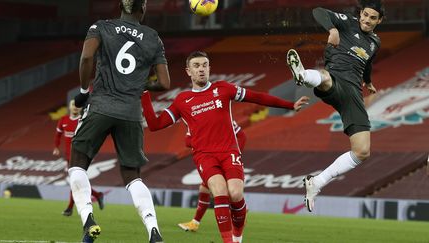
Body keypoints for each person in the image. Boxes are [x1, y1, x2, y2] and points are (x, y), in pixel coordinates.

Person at [142, 51, 309, 243]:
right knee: (220, 192)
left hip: (229, 151)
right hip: (204, 156)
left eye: (204, 65)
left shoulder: (223, 89)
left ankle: (238, 236)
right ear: (188, 71)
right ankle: (228, 241)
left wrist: (290, 105)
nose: (201, 69)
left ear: (209, 68)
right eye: (196, 66)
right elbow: (155, 125)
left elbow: (257, 97)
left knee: (236, 194)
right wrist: (144, 94)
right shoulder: (182, 100)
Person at [69, 0, 170, 242]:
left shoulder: (101, 27)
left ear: (120, 7)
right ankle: (153, 230)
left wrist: (83, 91)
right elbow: (165, 83)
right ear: (142, 9)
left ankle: (88, 220)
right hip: (131, 112)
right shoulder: (153, 37)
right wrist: (140, 84)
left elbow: (86, 58)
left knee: (77, 163)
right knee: (132, 175)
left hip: (101, 105)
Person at [286, 0, 384, 212]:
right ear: (361, 13)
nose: (367, 20)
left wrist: (368, 81)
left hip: (353, 94)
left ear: (379, 20)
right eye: (365, 15)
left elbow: (367, 62)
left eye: (372, 17)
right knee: (326, 78)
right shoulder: (347, 22)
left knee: (362, 151)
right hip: (337, 78)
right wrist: (332, 29)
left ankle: (317, 182)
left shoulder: (375, 41)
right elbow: (318, 11)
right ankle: (302, 75)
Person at [178, 121, 246, 232]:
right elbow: (187, 141)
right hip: (211, 158)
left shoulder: (226, 119)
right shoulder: (200, 120)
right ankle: (195, 222)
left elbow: (242, 136)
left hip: (225, 158)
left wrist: (235, 155)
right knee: (205, 189)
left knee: (223, 191)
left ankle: (237, 216)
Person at [53, 100, 104, 217]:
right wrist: (56, 147)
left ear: (81, 108)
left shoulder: (82, 120)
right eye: (73, 105)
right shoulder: (63, 120)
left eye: (78, 105)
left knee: (75, 182)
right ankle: (97, 195)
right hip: (68, 157)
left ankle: (69, 208)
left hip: (80, 156)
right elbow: (58, 134)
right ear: (69, 107)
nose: (75, 107)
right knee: (77, 182)